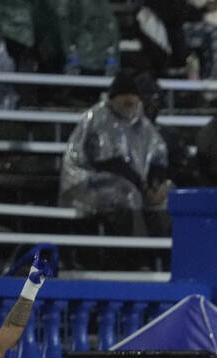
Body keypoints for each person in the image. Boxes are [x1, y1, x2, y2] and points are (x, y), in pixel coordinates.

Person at [59, 70, 172, 239]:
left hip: (134, 184)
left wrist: (157, 185)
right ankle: (134, 255)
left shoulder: (141, 122)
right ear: (113, 98)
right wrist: (144, 188)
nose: (128, 100)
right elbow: (110, 163)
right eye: (123, 95)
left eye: (132, 95)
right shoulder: (98, 118)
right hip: (87, 184)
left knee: (170, 197)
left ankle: (162, 256)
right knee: (126, 194)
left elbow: (157, 157)